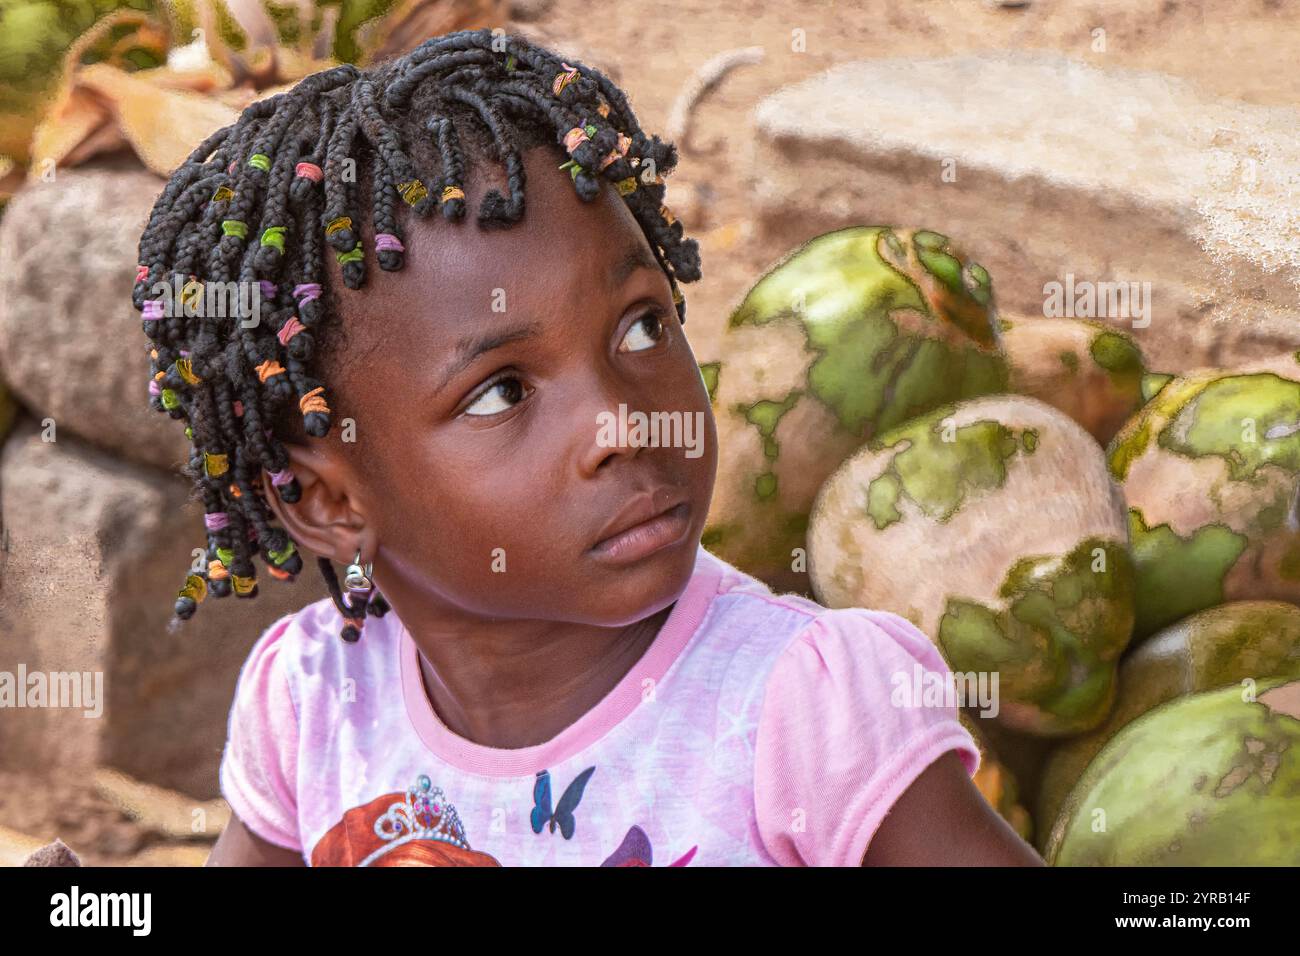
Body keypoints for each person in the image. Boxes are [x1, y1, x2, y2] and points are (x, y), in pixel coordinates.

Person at [134, 28, 1042, 866]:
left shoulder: (800, 712)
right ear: (331, 501)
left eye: (641, 328)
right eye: (503, 392)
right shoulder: (316, 705)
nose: (622, 424)